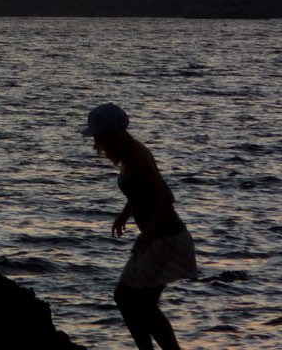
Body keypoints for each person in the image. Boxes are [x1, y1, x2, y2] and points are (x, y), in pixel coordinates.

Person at [83, 102, 198, 350]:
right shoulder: (128, 155)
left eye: (98, 137)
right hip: (158, 237)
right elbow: (140, 191)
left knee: (132, 299)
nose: (96, 144)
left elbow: (166, 196)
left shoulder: (136, 155)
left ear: (109, 135)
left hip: (165, 238)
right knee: (130, 299)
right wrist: (125, 213)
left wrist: (147, 232)